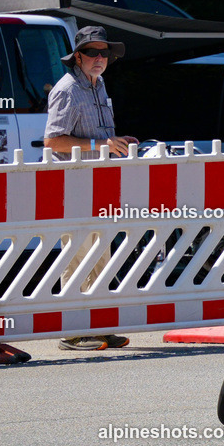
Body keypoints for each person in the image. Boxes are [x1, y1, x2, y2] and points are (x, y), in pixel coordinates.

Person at [45, 26, 136, 350]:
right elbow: (52, 139)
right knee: (78, 253)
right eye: (93, 52)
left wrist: (118, 142)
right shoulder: (67, 89)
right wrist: (101, 143)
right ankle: (72, 331)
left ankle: (98, 325)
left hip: (98, 180)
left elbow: (100, 137)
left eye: (104, 53)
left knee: (101, 253)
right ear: (79, 56)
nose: (100, 58)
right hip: (74, 181)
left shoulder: (99, 85)